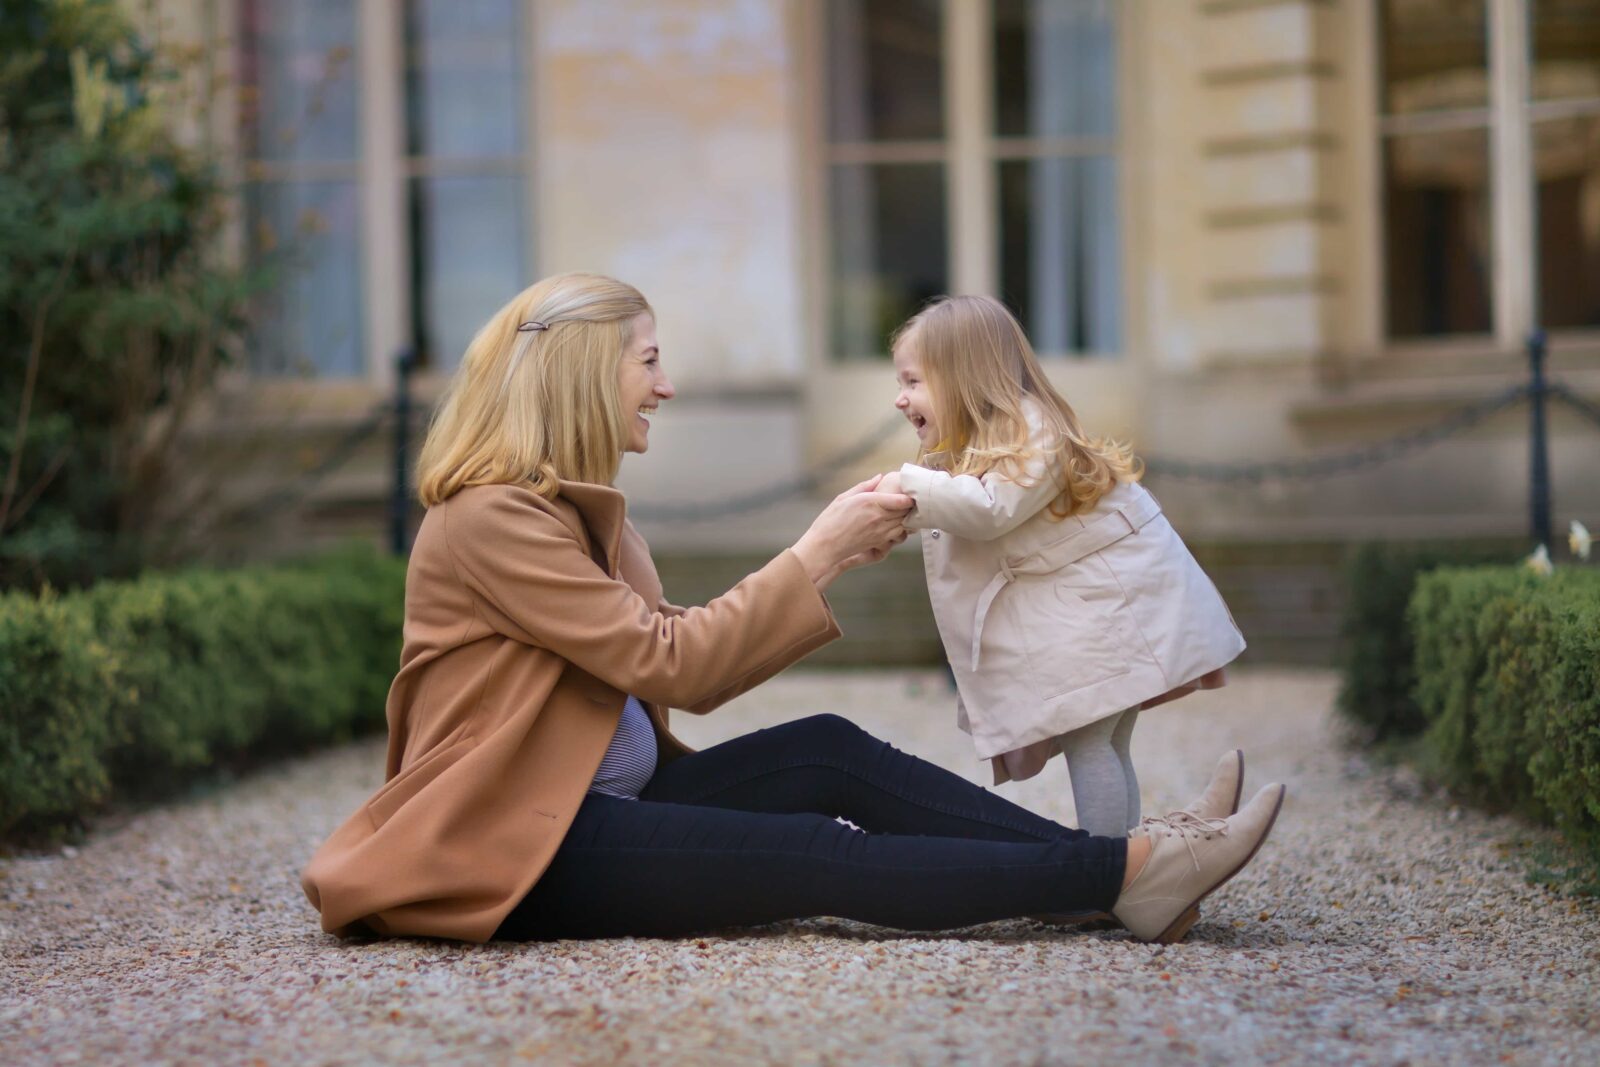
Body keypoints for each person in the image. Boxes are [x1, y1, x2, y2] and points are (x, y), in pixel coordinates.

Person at [300, 273, 1284, 948]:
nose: (666, 383)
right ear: (583, 371)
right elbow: (675, 661)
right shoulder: (489, 519)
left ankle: (1117, 869)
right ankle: (1126, 873)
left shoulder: (571, 515)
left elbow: (684, 656)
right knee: (816, 860)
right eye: (647, 360)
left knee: (824, 747)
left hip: (593, 811)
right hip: (521, 846)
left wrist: (821, 560)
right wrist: (813, 553)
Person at [876, 295, 1252, 839]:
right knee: (1104, 743)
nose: (899, 399)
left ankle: (1104, 872)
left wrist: (905, 486)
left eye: (912, 382)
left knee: (1093, 744)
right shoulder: (999, 439)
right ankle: (1125, 865)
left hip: (1106, 623)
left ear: (962, 377)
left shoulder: (1031, 429)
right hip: (1101, 621)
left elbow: (989, 510)